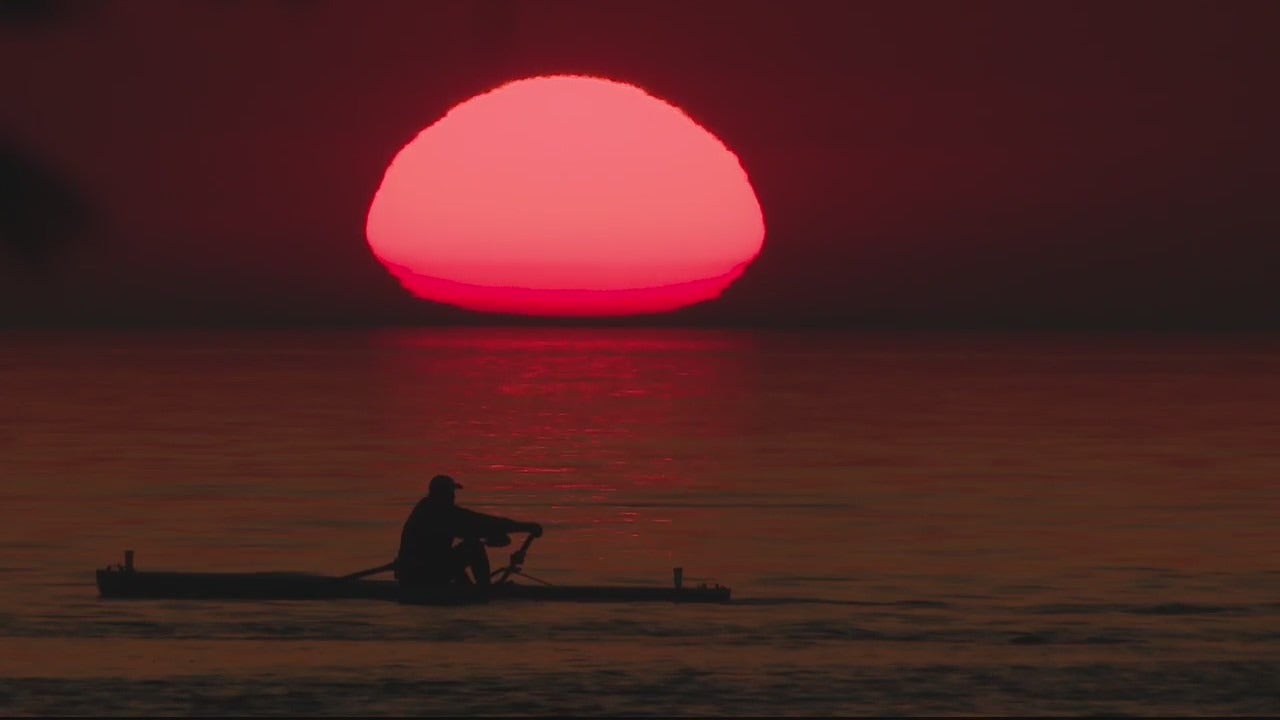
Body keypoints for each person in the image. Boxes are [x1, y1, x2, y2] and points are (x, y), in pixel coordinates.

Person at [394, 474, 543, 589]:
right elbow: (480, 523)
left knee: (466, 547)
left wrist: (492, 537)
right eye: (451, 492)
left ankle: (471, 588)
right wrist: (526, 527)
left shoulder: (428, 510)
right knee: (473, 547)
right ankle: (484, 590)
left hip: (418, 571)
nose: (453, 496)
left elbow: (471, 528)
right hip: (422, 574)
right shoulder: (438, 513)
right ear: (442, 494)